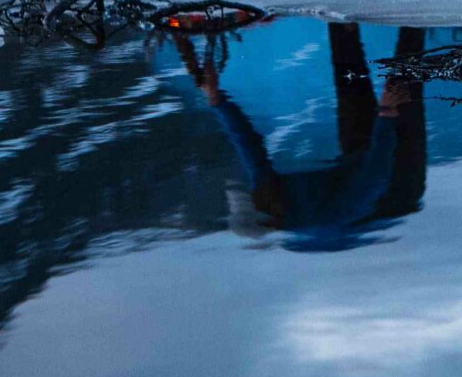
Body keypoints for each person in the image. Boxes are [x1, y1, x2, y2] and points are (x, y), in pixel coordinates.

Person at [179, 23, 430, 252]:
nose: (253, 191)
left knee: (349, 80)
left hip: (353, 171)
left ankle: (343, 18)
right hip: (398, 186)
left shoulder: (266, 197)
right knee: (402, 85)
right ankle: (416, 16)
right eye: (253, 197)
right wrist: (386, 113)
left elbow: (248, 145)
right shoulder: (333, 215)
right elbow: (377, 174)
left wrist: (216, 99)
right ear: (272, 217)